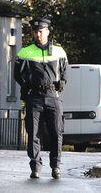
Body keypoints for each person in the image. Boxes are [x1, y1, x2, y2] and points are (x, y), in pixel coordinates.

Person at [14, 18, 68, 179]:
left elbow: (65, 71)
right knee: (33, 133)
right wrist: (26, 85)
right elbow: (17, 74)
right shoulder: (25, 52)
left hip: (53, 96)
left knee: (56, 132)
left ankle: (56, 166)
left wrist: (63, 82)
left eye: (41, 31)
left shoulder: (59, 51)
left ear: (48, 31)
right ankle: (35, 167)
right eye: (35, 31)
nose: (38, 34)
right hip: (34, 97)